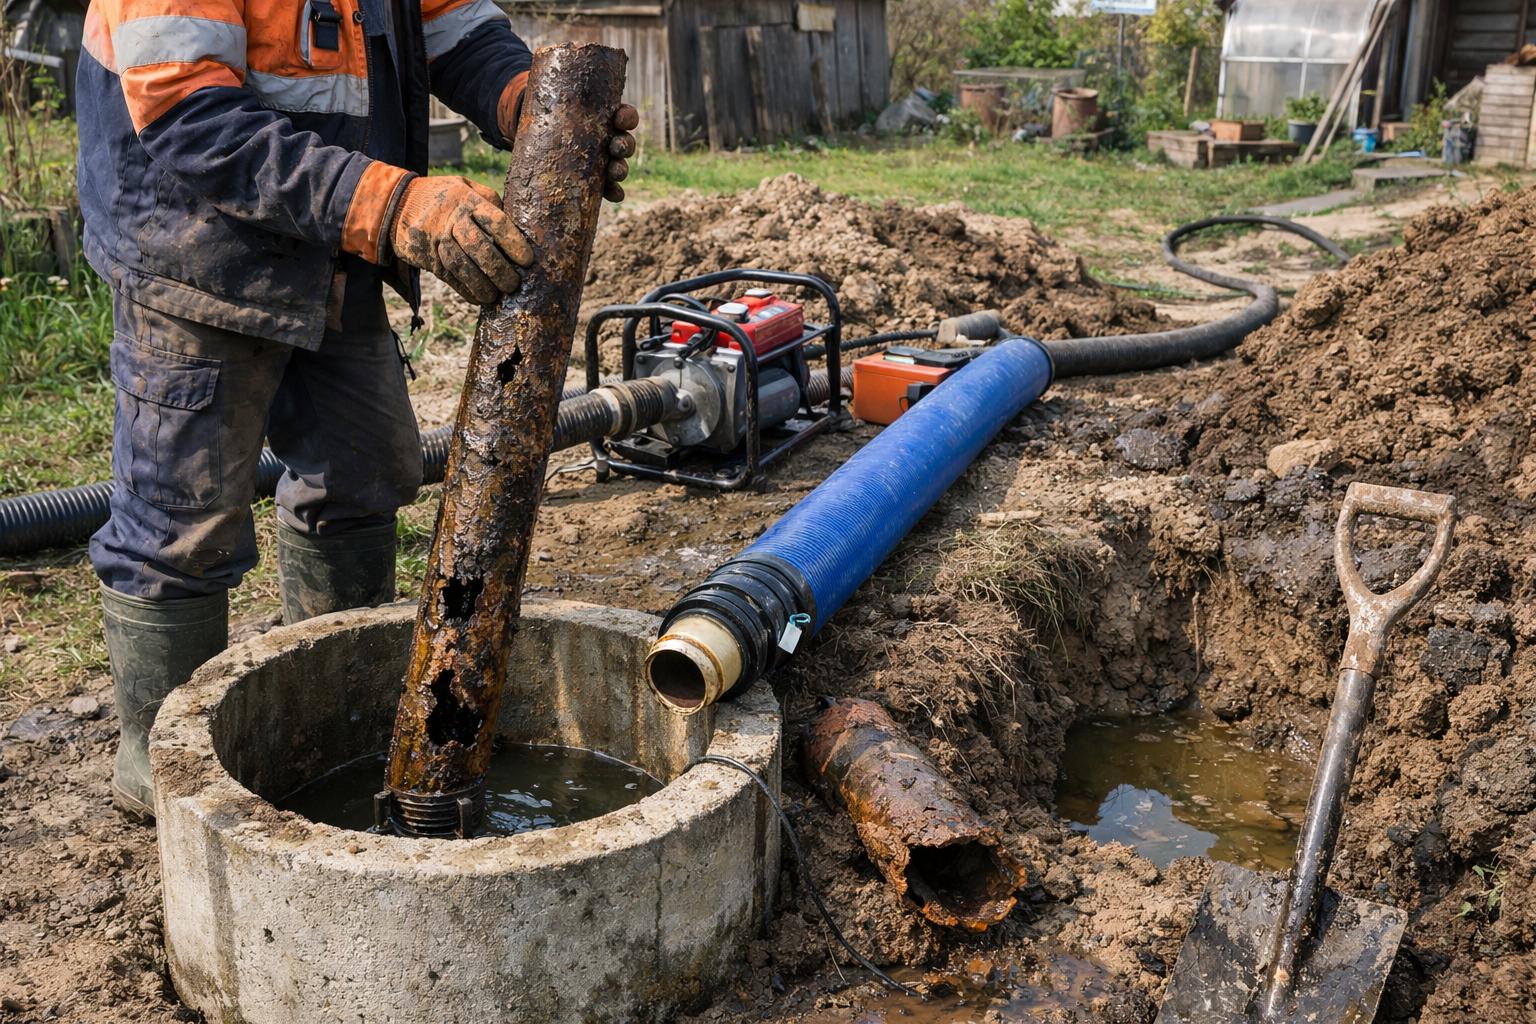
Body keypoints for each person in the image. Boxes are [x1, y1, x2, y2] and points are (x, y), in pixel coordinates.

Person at [74, 0, 637, 819]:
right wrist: (398, 206)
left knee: (366, 472)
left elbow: (455, 31)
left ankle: (331, 728)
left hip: (332, 232)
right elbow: (192, 117)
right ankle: (162, 773)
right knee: (181, 524)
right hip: (195, 242)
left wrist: (528, 101)